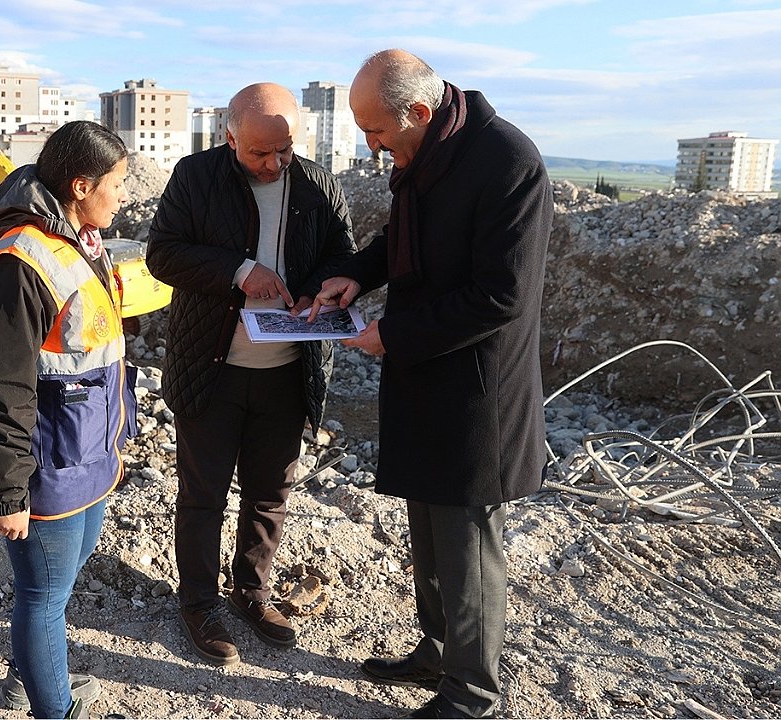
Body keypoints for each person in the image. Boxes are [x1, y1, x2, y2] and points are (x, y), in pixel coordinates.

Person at [304, 50, 553, 718]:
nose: (371, 146)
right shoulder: (424, 151)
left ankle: (472, 691)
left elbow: (502, 295)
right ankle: (437, 653)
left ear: (419, 110)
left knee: (468, 543)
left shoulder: (508, 164)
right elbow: (404, 235)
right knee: (427, 524)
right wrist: (359, 274)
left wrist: (392, 336)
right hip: (423, 374)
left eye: (378, 133)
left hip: (479, 392)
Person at [146, 82, 356, 666]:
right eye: (259, 153)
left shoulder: (318, 185)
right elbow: (162, 254)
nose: (274, 164)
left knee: (270, 493)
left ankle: (252, 593)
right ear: (229, 136)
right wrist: (240, 271)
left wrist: (326, 289)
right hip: (211, 366)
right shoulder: (196, 177)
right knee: (203, 494)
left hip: (288, 371)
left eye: (283, 151)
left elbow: (344, 255)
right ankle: (199, 604)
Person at [0, 120, 138, 719]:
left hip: (88, 453)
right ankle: (53, 709)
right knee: (43, 597)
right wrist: (7, 490)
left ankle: (30, 677)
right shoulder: (19, 264)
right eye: (118, 183)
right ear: (82, 186)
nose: (125, 194)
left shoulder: (81, 244)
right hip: (47, 466)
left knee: (59, 584)